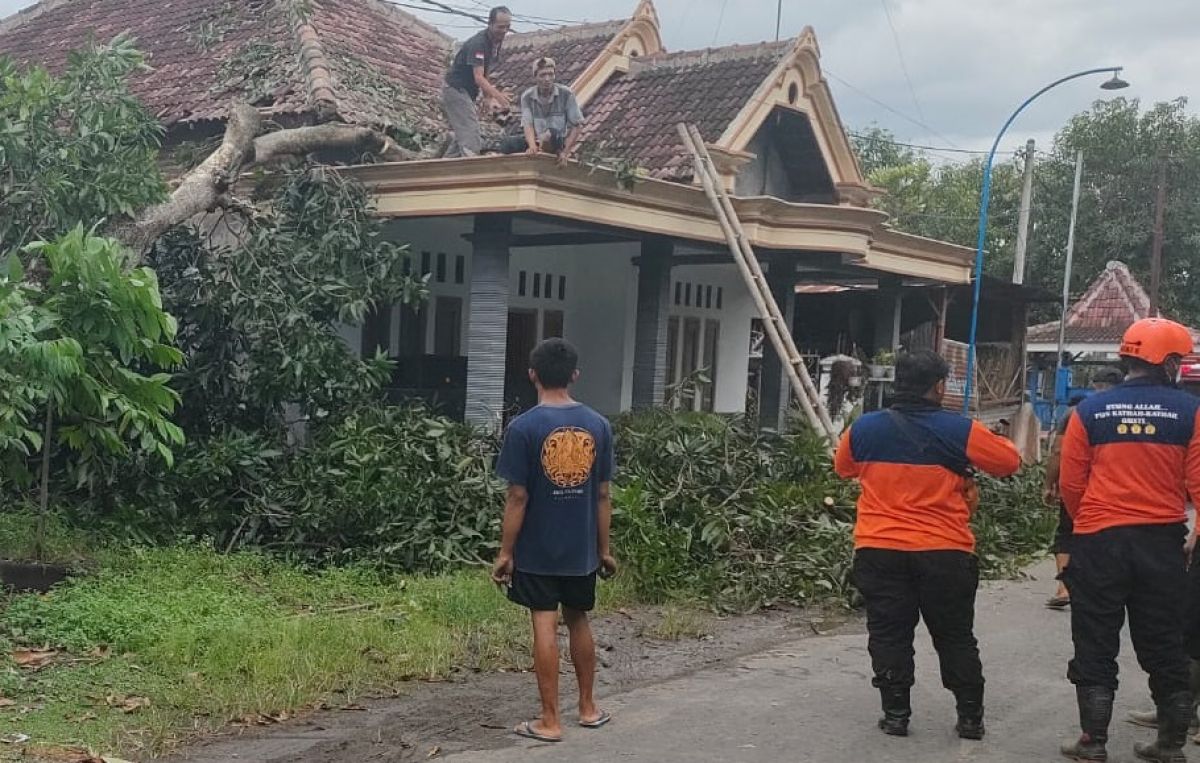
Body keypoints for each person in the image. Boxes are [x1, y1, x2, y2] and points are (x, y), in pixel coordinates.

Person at [835, 350, 1021, 740]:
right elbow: (1008, 463)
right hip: (945, 551)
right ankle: (970, 717)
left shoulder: (865, 429)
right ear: (939, 387)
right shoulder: (960, 430)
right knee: (954, 634)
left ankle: (896, 714)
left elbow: (843, 468)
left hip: (879, 549)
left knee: (888, 633)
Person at [1058, 318, 1200, 763]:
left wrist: (1090, 524)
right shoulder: (1191, 413)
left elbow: (1071, 483)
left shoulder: (1089, 411)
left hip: (1099, 541)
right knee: (1163, 642)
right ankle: (1171, 744)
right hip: (1161, 542)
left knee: (1095, 641)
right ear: (1170, 362)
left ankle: (1093, 741)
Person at [491, 338, 618, 743]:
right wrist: (603, 550)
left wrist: (506, 551)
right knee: (578, 618)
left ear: (532, 375)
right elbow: (602, 494)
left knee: (543, 623)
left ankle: (549, 720)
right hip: (581, 549)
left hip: (538, 549)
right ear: (575, 376)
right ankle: (588, 708)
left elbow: (518, 496)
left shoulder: (524, 427)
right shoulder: (599, 426)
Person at [1045, 368, 1125, 610]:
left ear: (1094, 385)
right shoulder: (1127, 411)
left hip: (1077, 484)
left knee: (1067, 534)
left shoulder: (1076, 412)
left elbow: (1059, 451)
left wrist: (1050, 483)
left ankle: (1065, 586)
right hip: (1113, 487)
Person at [442, 6, 512, 158]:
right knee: (471, 135)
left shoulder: (495, 43)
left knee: (461, 137)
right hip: (455, 90)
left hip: (466, 93)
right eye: (501, 27)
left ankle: (441, 172)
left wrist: (488, 99)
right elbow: (478, 77)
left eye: (508, 27)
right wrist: (499, 97)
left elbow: (485, 72)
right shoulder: (479, 43)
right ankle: (470, 172)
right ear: (490, 24)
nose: (504, 31)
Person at [498, 56, 584, 165]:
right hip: (537, 139)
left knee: (551, 134)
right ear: (535, 77)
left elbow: (578, 125)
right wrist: (532, 146)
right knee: (507, 143)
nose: (547, 79)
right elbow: (527, 123)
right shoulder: (527, 96)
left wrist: (565, 152)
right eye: (543, 75)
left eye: (550, 74)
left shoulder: (566, 94)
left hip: (556, 141)